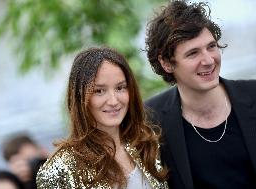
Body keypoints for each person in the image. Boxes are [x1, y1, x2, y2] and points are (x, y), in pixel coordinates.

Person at [144, 1, 256, 189]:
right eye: (193, 53)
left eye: (211, 46)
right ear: (166, 63)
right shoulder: (150, 120)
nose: (209, 60)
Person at [36, 47, 168, 189]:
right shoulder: (60, 170)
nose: (113, 101)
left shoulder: (145, 142)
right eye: (99, 91)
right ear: (80, 97)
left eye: (120, 88)